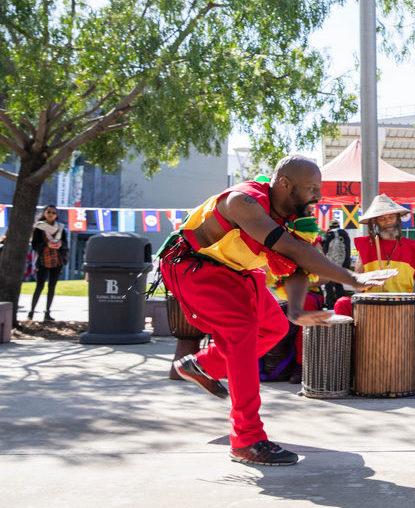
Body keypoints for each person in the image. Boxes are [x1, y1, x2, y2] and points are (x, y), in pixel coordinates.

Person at [159, 155, 393, 466]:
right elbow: (293, 249)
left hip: (239, 270)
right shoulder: (242, 202)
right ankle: (247, 440)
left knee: (276, 327)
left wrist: (296, 310)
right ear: (284, 184)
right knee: (241, 333)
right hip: (195, 266)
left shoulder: (294, 216)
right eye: (311, 188)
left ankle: (202, 365)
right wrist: (353, 279)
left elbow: (296, 264)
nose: (317, 196)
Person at [333, 194, 415, 318]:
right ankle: (355, 337)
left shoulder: (412, 247)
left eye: (391, 217)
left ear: (398, 218)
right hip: (372, 304)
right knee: (342, 303)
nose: (387, 221)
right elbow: (357, 280)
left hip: (404, 304)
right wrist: (366, 284)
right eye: (382, 218)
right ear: (375, 222)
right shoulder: (366, 245)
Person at [29, 205, 68, 322]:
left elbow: (65, 244)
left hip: (57, 261)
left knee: (52, 287)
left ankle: (47, 313)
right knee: (39, 286)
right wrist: (46, 245)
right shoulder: (39, 227)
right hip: (43, 260)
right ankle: (31, 312)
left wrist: (60, 245)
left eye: (53, 213)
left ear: (56, 215)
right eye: (48, 212)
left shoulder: (60, 228)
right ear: (44, 213)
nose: (51, 214)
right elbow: (34, 245)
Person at [321, 220, 351, 308]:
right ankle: (341, 304)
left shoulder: (329, 234)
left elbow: (325, 249)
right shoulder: (345, 234)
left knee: (328, 284)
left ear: (330, 226)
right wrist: (346, 264)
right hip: (342, 264)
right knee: (339, 283)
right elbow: (348, 249)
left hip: (330, 264)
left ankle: (330, 305)